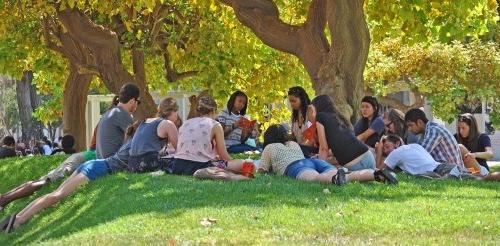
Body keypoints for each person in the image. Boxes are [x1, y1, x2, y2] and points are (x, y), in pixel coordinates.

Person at [0, 123, 139, 233]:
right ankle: (18, 221)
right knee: (57, 196)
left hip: (92, 164)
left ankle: (17, 217)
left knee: (53, 194)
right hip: (96, 168)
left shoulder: (129, 141)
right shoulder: (136, 143)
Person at [259, 124, 397, 185]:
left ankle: (335, 178)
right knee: (344, 175)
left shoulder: (269, 147)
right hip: (313, 162)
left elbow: (262, 171)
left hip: (296, 167)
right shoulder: (293, 144)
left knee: (318, 179)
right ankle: (375, 174)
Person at [0, 127, 99, 211]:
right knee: (45, 182)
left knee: (39, 181)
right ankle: (4, 200)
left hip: (82, 156)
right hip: (80, 159)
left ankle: (4, 197)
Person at [169, 96, 249, 177]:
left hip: (177, 166)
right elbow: (224, 156)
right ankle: (211, 171)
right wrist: (232, 162)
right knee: (243, 163)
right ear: (214, 111)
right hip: (200, 165)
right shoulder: (215, 125)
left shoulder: (185, 123)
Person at [307, 95, 377, 172]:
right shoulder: (340, 118)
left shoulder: (320, 117)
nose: (313, 113)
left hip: (357, 165)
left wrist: (318, 170)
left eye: (313, 109)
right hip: (369, 158)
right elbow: (341, 146)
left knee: (319, 163)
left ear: (317, 107)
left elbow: (324, 149)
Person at [127, 98, 179, 173]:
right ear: (173, 111)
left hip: (132, 164)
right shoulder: (168, 124)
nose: (177, 116)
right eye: (176, 112)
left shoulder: (146, 121)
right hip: (148, 163)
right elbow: (180, 150)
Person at [95, 83, 139, 159]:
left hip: (102, 161)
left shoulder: (109, 112)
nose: (137, 105)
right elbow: (139, 139)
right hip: (113, 163)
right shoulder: (121, 114)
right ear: (132, 101)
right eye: (138, 101)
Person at [287, 86, 317, 157]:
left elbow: (312, 136)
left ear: (302, 99)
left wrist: (297, 147)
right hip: (299, 149)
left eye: (294, 101)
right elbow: (293, 136)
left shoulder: (310, 110)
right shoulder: (294, 115)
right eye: (290, 101)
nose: (292, 104)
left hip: (310, 151)